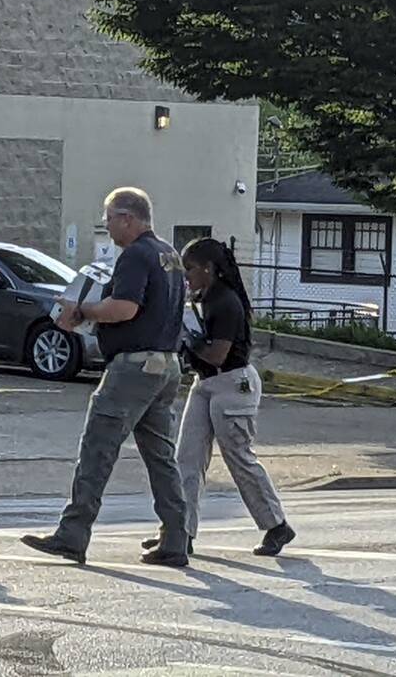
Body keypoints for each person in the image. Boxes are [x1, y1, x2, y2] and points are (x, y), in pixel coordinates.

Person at [21, 187, 191, 567]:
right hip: (166, 364)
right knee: (161, 455)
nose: (107, 225)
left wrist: (82, 310)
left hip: (133, 367)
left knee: (98, 448)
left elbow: (125, 308)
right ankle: (176, 536)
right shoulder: (170, 255)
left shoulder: (135, 255)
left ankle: (73, 533)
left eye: (110, 218)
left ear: (128, 218)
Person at [143, 237, 295, 557]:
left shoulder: (226, 302)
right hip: (207, 383)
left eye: (191, 269)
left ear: (209, 269)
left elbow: (217, 354)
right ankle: (179, 532)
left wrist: (189, 338)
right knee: (187, 458)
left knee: (238, 457)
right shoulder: (204, 298)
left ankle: (276, 525)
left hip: (233, 383)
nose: (186, 276)